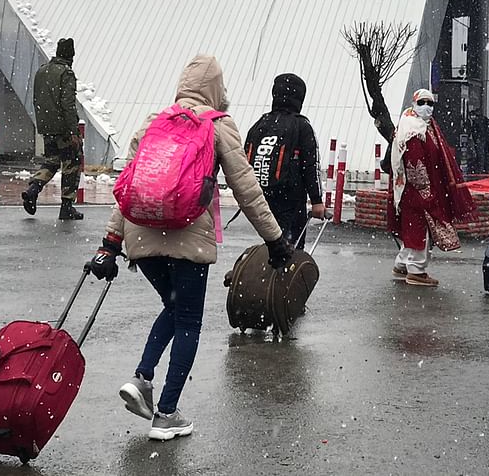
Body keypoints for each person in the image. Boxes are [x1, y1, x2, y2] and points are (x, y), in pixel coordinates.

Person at [85, 55, 290, 441]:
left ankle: (142, 378)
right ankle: (166, 413)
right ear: (216, 90)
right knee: (189, 321)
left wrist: (111, 245)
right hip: (187, 237)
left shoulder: (153, 122)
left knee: (174, 307)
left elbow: (126, 188)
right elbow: (247, 188)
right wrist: (275, 239)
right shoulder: (218, 126)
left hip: (141, 236)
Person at [386, 89, 475, 287]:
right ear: (414, 104)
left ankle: (402, 264)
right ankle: (417, 271)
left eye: (430, 103)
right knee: (420, 229)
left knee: (413, 227)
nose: (427, 107)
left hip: (412, 189)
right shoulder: (412, 129)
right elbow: (414, 162)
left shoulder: (424, 125)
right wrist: (425, 189)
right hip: (416, 189)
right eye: (422, 102)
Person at [243, 73, 326, 249]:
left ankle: (266, 271)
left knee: (270, 243)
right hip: (291, 199)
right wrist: (317, 200)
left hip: (262, 196)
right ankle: (284, 273)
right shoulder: (301, 126)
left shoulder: (260, 124)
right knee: (291, 246)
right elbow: (311, 166)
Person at [21, 38, 84, 220]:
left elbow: (37, 99)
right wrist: (73, 131)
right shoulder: (66, 73)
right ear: (70, 55)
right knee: (72, 163)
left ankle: (33, 190)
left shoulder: (42, 71)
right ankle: (66, 206)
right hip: (63, 128)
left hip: (46, 127)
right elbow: (68, 104)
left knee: (51, 161)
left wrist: (45, 124)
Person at [469, 108, 489, 172]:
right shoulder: (485, 120)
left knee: (480, 154)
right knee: (486, 153)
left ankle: (481, 168)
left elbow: (479, 131)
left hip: (481, 140)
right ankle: (486, 168)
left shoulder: (477, 121)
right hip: (487, 139)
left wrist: (478, 138)